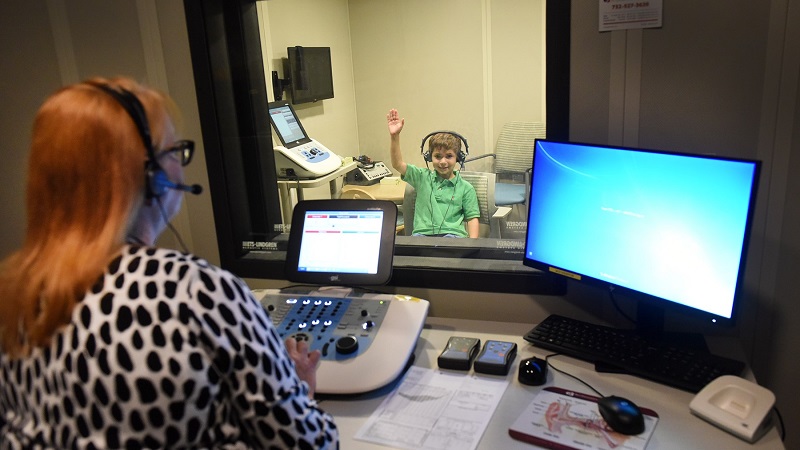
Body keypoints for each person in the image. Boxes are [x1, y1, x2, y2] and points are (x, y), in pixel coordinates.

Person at [0, 77, 338, 448]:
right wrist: (301, 390)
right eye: (175, 151)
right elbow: (309, 444)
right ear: (152, 178)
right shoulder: (196, 293)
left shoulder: (12, 292)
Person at [387, 108, 480, 238]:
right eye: (438, 156)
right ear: (429, 157)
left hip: (453, 237)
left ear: (458, 158)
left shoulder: (466, 188)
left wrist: (472, 246)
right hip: (422, 237)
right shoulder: (421, 177)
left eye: (449, 156)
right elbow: (397, 164)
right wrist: (394, 137)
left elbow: (472, 219)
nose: (443, 161)